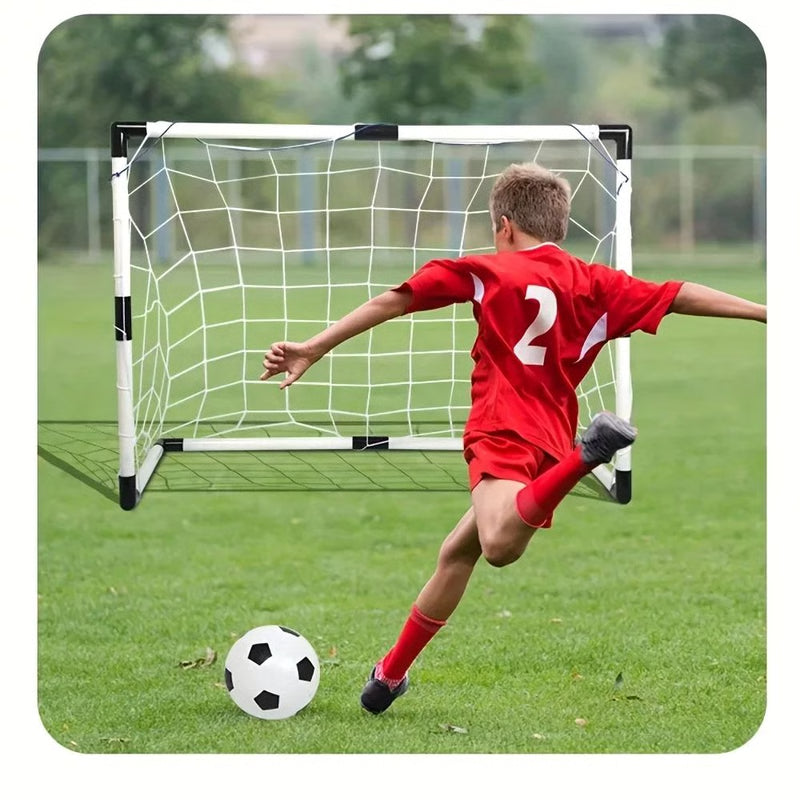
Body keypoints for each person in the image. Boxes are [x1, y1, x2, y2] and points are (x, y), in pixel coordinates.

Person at [259, 162, 767, 715]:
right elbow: (679, 294)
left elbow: (394, 300)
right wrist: (766, 313)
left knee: (499, 546)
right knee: (458, 552)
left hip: (503, 426)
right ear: (560, 226)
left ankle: (587, 455)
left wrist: (315, 346)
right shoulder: (597, 283)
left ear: (504, 225)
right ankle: (390, 674)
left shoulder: (486, 271)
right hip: (547, 435)